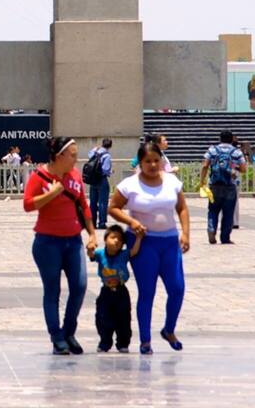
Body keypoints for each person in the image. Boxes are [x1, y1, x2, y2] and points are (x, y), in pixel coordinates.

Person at [108, 137, 193, 354]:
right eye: (148, 161)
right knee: (147, 292)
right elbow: (113, 208)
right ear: (140, 162)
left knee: (177, 288)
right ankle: (145, 340)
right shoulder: (130, 184)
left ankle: (169, 328)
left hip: (169, 242)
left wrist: (185, 233)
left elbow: (182, 208)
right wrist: (132, 222)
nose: (153, 165)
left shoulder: (172, 182)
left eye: (156, 160)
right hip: (144, 244)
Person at [21, 136, 98, 355]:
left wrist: (92, 234)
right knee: (52, 290)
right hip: (47, 243)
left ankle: (69, 331)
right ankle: (57, 337)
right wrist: (51, 194)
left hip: (73, 241)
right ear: (59, 156)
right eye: (72, 155)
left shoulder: (74, 176)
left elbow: (83, 205)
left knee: (80, 285)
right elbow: (27, 205)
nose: (76, 159)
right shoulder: (40, 176)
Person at [92, 224, 133, 353]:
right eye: (113, 237)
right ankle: (105, 342)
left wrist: (139, 238)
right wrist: (90, 246)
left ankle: (123, 343)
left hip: (121, 291)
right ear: (105, 239)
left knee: (124, 318)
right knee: (103, 318)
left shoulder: (124, 254)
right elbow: (91, 254)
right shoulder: (100, 253)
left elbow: (134, 251)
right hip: (106, 292)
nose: (116, 241)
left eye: (120, 240)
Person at [200, 131, 246, 245]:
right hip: (230, 185)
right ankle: (225, 237)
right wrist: (234, 168)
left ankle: (211, 229)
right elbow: (244, 169)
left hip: (214, 184)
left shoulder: (213, 150)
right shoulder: (236, 152)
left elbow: (205, 165)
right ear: (231, 140)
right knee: (228, 212)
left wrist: (202, 181)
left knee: (213, 210)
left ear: (220, 139)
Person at [86, 139, 115, 229]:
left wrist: (95, 148)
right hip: (102, 180)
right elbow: (105, 170)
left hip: (93, 180)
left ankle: (92, 222)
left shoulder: (94, 153)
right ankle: (102, 223)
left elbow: (89, 153)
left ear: (102, 144)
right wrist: (111, 172)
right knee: (103, 202)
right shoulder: (107, 156)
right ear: (110, 146)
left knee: (93, 202)